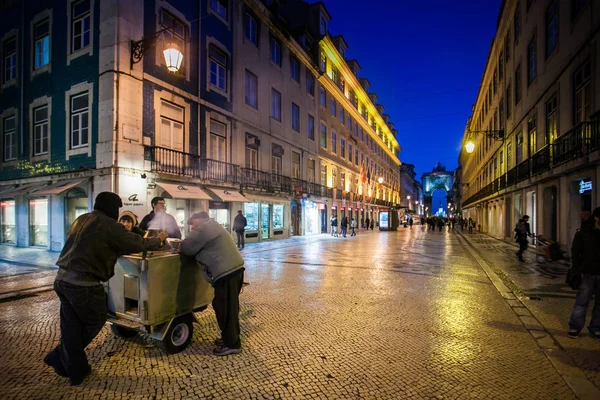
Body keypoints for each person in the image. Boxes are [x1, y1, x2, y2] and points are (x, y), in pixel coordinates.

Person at [44, 192, 166, 385]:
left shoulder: (81, 219)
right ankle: (58, 356)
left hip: (62, 280)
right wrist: (158, 239)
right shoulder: (108, 225)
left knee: (71, 326)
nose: (118, 213)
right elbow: (136, 243)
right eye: (117, 209)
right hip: (83, 284)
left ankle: (75, 369)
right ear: (111, 208)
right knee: (96, 318)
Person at [180, 212, 245, 356]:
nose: (192, 228)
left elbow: (186, 247)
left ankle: (232, 345)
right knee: (228, 309)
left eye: (192, 224)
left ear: (197, 220)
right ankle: (230, 338)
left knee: (226, 310)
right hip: (233, 270)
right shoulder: (213, 225)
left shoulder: (203, 228)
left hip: (226, 273)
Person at [567, 207, 600, 340]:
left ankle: (596, 327)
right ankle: (575, 327)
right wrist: (578, 269)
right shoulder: (583, 233)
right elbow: (575, 252)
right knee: (582, 302)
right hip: (587, 273)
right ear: (596, 218)